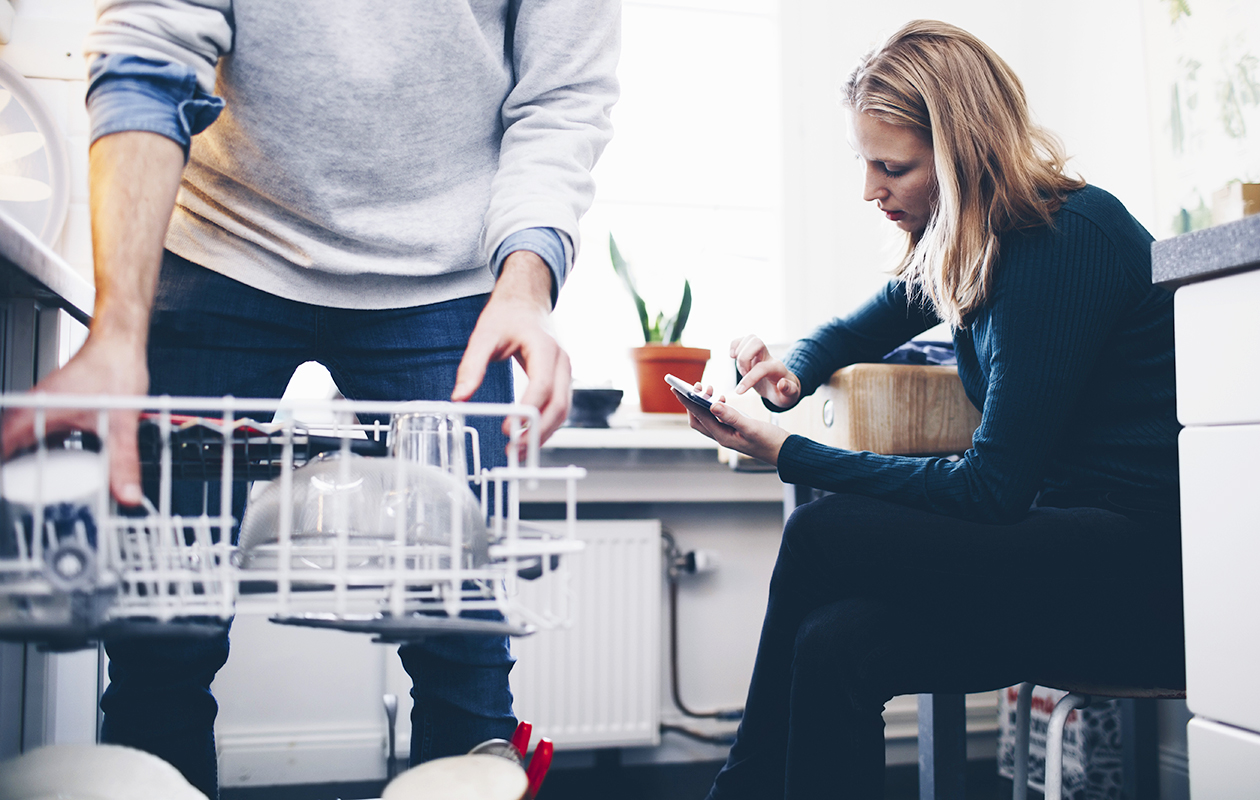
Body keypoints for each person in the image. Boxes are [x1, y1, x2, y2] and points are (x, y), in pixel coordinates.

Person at [0, 2, 619, 798]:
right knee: (161, 629)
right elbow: (149, 43)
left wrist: (527, 281)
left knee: (464, 638)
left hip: (446, 274)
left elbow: (559, 100)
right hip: (221, 239)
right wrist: (118, 327)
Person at [675, 20, 1183, 799]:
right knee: (834, 642)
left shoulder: (1059, 239)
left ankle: (736, 789)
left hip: (1139, 575)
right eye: (866, 162)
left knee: (819, 531)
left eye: (893, 167)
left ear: (962, 154)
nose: (871, 189)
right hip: (1067, 547)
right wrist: (794, 370)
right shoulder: (984, 238)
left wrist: (787, 452)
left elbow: (991, 490)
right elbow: (865, 323)